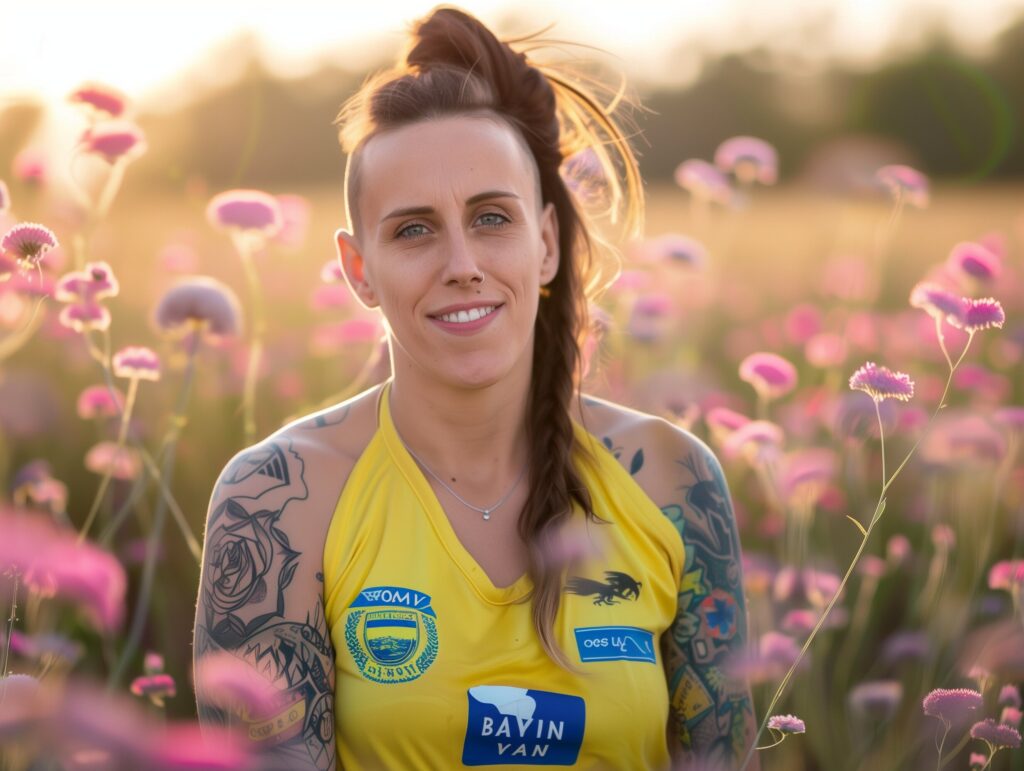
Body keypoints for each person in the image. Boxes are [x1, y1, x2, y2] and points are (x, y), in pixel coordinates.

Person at [193, 6, 758, 770]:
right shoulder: (280, 498)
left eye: (492, 217)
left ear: (548, 242)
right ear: (360, 269)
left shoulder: (671, 480)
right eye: (414, 229)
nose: (462, 262)